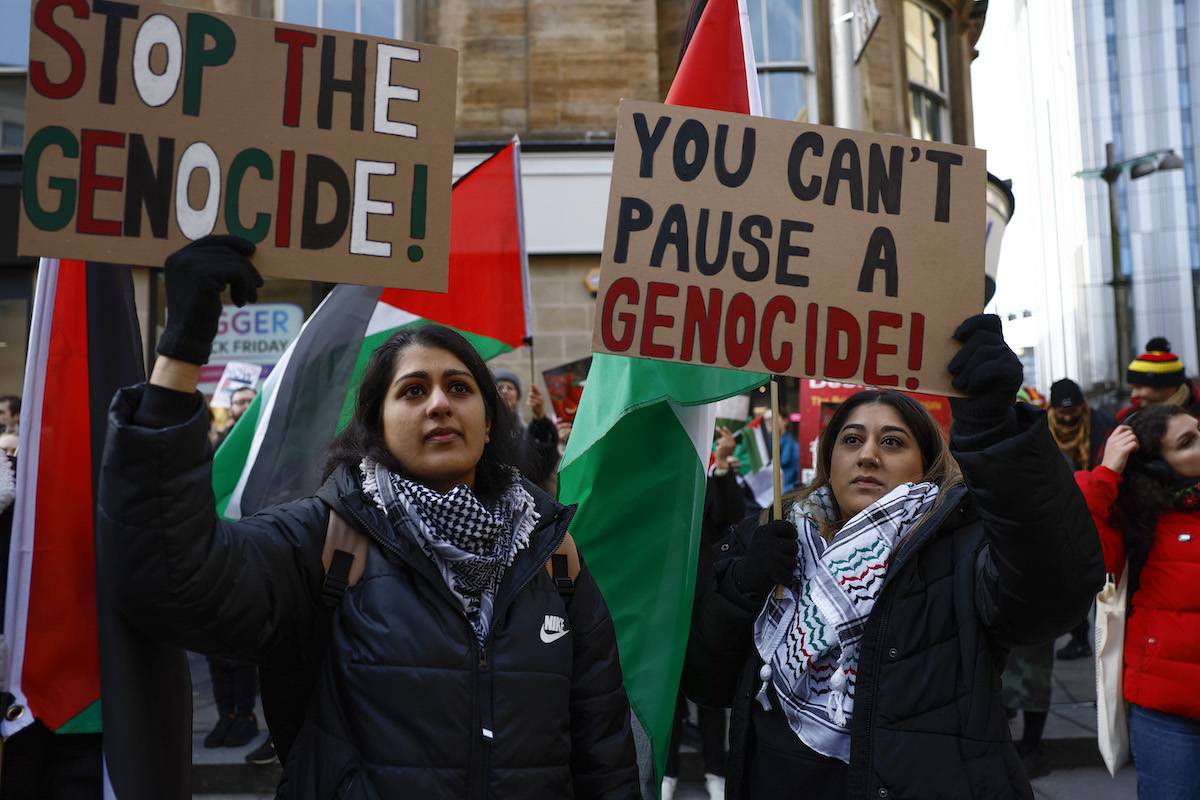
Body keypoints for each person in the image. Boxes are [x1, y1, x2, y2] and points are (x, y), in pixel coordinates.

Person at [97, 236, 639, 798]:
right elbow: (171, 580)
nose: (439, 404)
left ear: (487, 418)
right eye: (413, 390)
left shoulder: (552, 554)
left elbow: (604, 750)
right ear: (376, 425)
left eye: (459, 387)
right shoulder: (326, 539)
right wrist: (179, 358)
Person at [682, 315, 1103, 799]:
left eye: (892, 442)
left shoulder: (964, 550)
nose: (867, 456)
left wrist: (993, 434)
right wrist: (741, 586)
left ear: (924, 465)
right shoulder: (767, 536)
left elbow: (1056, 591)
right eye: (852, 440)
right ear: (830, 460)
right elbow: (706, 683)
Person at [1075, 406, 1200, 799]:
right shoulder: (1142, 522)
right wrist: (1108, 473)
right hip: (1167, 712)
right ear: (1159, 468)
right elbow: (1085, 555)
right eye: (1187, 442)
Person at [1047, 378, 1115, 661]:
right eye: (1061, 412)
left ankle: (1105, 633)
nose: (1066, 416)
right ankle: (1078, 636)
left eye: (1072, 410)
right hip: (1060, 512)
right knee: (1068, 580)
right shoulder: (1041, 427)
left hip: (1096, 507)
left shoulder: (1101, 425)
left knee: (1100, 577)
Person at [495, 369, 560, 490]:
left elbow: (542, 465)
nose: (505, 391)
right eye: (499, 387)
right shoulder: (482, 432)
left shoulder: (526, 433)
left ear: (518, 396)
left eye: (510, 388)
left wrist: (540, 419)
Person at [1116, 338, 1200, 423]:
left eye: (1139, 387)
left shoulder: (1196, 413)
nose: (1133, 395)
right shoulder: (1127, 419)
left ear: (1165, 385)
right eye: (1132, 388)